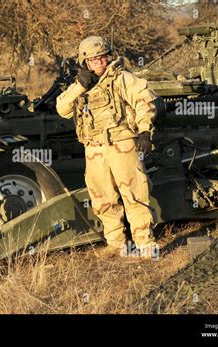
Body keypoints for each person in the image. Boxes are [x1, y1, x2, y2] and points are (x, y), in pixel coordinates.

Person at [56, 36, 158, 258]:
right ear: (85, 62)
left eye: (102, 58)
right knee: (102, 198)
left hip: (122, 144)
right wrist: (80, 87)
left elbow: (144, 101)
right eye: (93, 60)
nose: (99, 63)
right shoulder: (80, 86)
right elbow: (62, 109)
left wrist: (144, 132)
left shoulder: (122, 78)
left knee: (134, 193)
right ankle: (116, 243)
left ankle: (145, 245)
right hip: (93, 147)